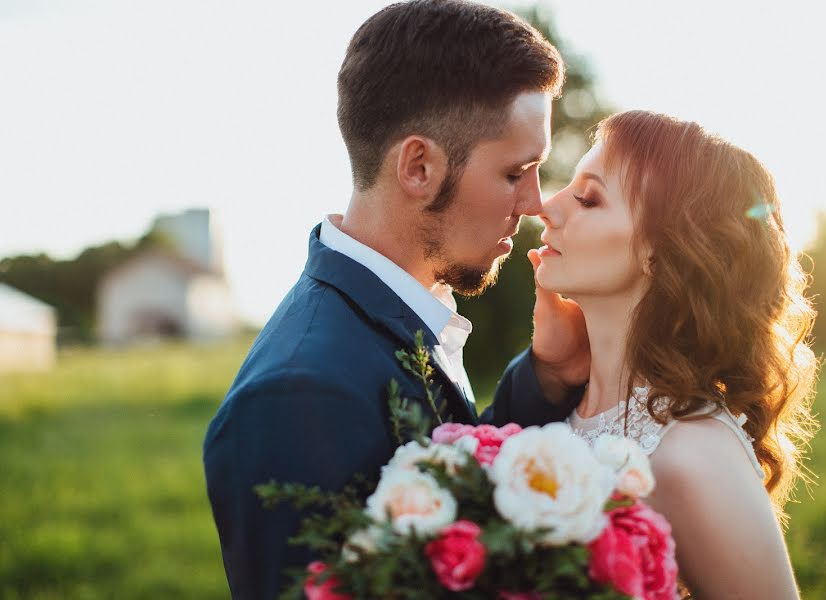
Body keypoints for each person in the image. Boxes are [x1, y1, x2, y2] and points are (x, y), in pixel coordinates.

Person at [202, 2, 590, 598]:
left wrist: (547, 375)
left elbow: (460, 501)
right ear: (418, 167)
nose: (535, 203)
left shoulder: (402, 310)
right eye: (516, 173)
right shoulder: (299, 396)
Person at [534, 110, 818, 598]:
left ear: (660, 251)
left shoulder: (692, 454)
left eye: (588, 198)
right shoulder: (559, 406)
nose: (546, 207)